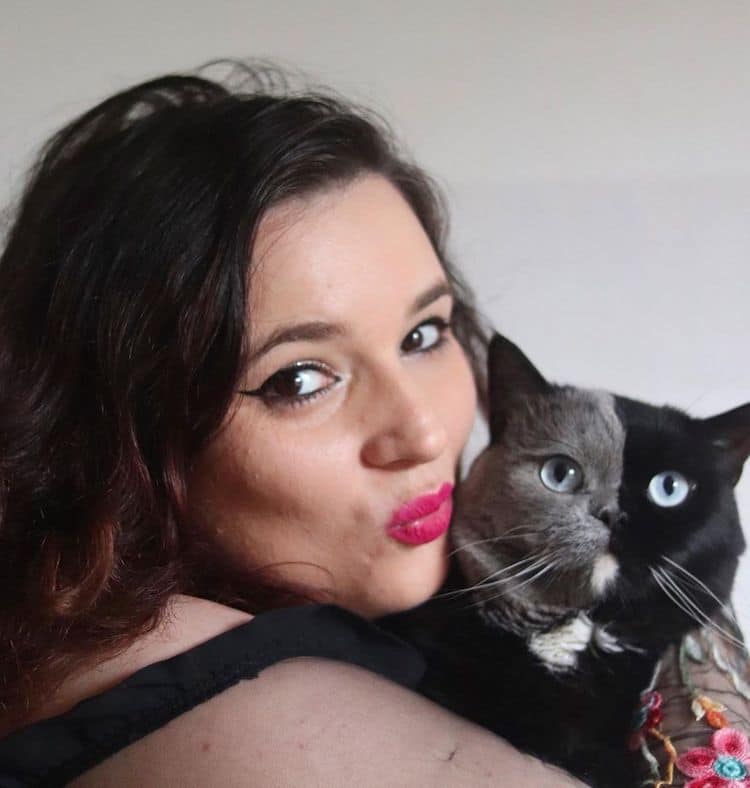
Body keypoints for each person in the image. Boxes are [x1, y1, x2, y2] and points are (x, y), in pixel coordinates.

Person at [0, 63, 583, 786]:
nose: (424, 435)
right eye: (299, 380)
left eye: (424, 335)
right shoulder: (193, 686)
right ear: (124, 435)